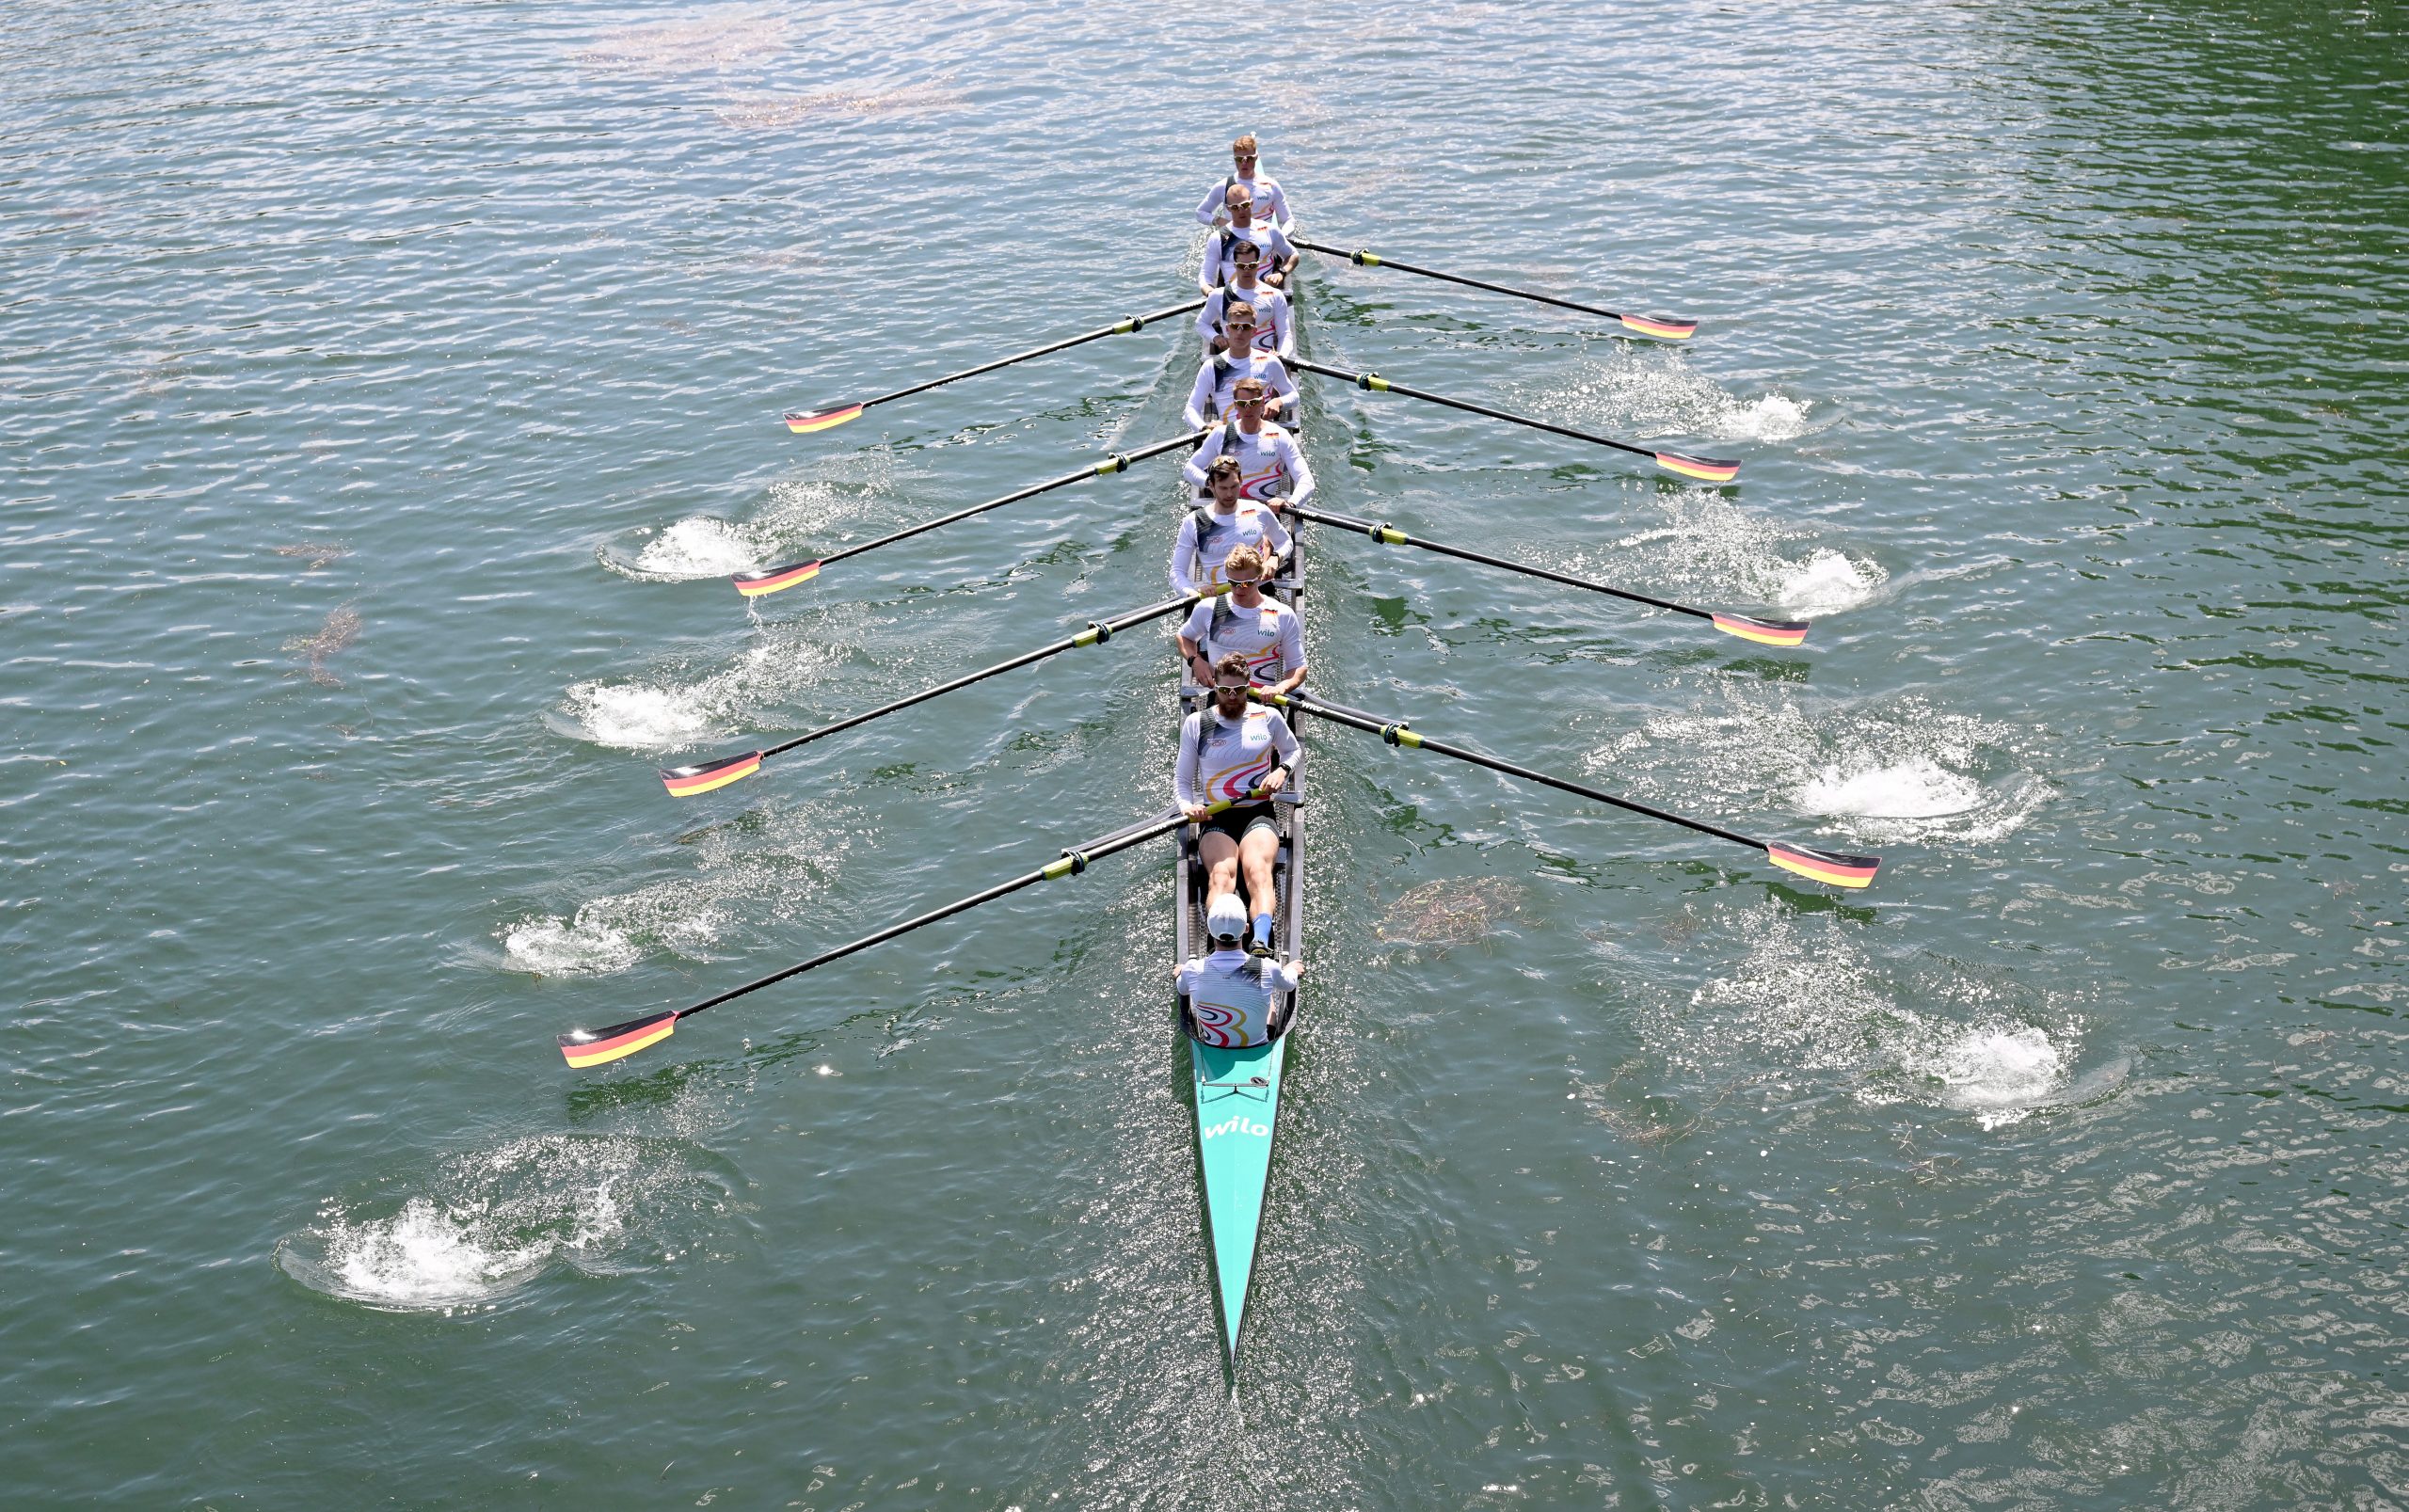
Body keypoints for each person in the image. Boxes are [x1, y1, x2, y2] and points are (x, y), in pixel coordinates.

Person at [1175, 650, 1301, 954]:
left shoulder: (1268, 717)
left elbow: (1293, 751)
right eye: (1224, 691)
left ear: (1249, 687)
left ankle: (1259, 941)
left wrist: (1282, 771)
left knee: (1257, 870)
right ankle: (1220, 945)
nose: (1232, 697)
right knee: (1222, 875)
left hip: (1257, 812)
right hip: (1216, 817)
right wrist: (1186, 807)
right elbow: (1181, 781)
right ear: (1214, 688)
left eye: (1239, 690)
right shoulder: (1197, 724)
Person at [1178, 544, 1306, 696]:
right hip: (1222, 696)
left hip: (1261, 698)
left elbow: (1298, 667)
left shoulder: (1282, 614)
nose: (1239, 589)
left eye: (1246, 584)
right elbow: (1183, 637)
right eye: (1233, 583)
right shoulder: (1209, 608)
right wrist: (1195, 661)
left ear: (1259, 577)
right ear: (1226, 575)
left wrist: (1281, 688)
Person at [1176, 894, 1303, 1044]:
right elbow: (1289, 984)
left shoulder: (1192, 970)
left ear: (1210, 931)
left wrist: (1180, 972)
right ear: (1247, 929)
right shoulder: (1268, 968)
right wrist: (1292, 969)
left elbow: (1182, 989)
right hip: (1257, 1045)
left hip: (1214, 1047)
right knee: (1268, 998)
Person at [1183, 377, 1315, 517]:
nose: (1248, 408)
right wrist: (1211, 484)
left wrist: (1290, 503)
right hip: (1227, 510)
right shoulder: (1221, 434)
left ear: (1262, 402)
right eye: (1242, 403)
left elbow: (1306, 480)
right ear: (1235, 405)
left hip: (1263, 512)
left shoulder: (1280, 436)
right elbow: (1189, 469)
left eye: (1253, 403)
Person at [1171, 454, 1292, 596]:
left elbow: (1285, 541)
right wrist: (1193, 593)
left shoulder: (1258, 510)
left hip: (1259, 590)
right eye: (1223, 488)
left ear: (1241, 480)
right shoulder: (1194, 522)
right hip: (1221, 595)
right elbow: (1176, 573)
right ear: (1211, 485)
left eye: (1234, 486)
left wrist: (1275, 558)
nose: (1229, 494)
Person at [1182, 307, 1297, 429]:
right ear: (1227, 329)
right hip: (1228, 437)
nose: (1239, 332)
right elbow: (1191, 409)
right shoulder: (1213, 366)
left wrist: (1279, 402)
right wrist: (1205, 428)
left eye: (1246, 327)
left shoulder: (1269, 362)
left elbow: (1293, 395)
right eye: (1235, 326)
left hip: (1262, 433)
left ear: (1254, 331)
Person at [1196, 238, 1293, 358]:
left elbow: (1285, 334)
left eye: (1251, 266)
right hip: (1232, 360)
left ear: (1258, 265)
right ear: (1235, 266)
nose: (1246, 270)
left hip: (1264, 362)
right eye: (1242, 266)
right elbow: (1201, 323)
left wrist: (1280, 355)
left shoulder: (1275, 296)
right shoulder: (1219, 295)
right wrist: (1215, 338)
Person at [1198, 184, 1298, 294]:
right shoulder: (1217, 238)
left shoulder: (1270, 230)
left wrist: (1281, 273)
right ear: (1228, 208)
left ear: (1251, 203)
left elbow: (1293, 255)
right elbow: (1205, 276)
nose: (1241, 211)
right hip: (1234, 301)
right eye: (1235, 207)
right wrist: (1211, 294)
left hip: (1266, 296)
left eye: (1244, 205)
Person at [1194, 133, 1294, 234]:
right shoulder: (1223, 186)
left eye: (1249, 159)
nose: (1244, 163)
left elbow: (1289, 220)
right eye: (1239, 159)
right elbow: (1200, 213)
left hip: (1265, 240)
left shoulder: (1271, 186)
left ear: (1256, 158)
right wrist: (1222, 222)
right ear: (1234, 159)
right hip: (1236, 240)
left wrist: (1282, 237)